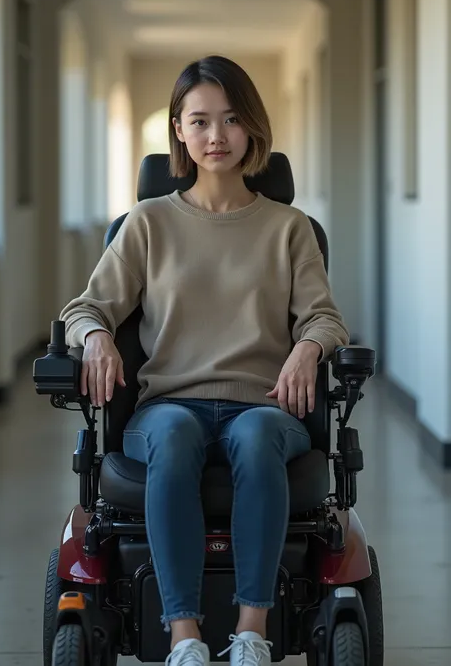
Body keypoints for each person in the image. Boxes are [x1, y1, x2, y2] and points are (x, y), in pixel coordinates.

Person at [60, 55, 349, 666]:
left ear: (252, 130)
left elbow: (324, 316)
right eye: (200, 122)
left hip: (262, 404)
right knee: (172, 434)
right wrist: (96, 338)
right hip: (167, 404)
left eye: (231, 120)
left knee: (259, 435)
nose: (216, 136)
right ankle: (184, 635)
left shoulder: (289, 228)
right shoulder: (146, 224)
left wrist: (306, 347)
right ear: (179, 132)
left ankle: (251, 630)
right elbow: (85, 308)